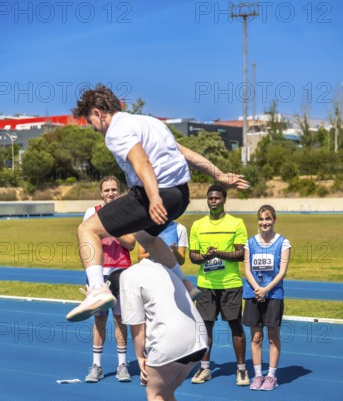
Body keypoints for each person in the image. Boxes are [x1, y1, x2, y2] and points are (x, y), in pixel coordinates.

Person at [66, 83, 249, 322]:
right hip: (181, 196)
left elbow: (142, 162)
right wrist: (218, 174)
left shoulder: (116, 131)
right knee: (146, 237)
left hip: (158, 193)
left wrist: (153, 198)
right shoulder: (150, 122)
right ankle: (183, 283)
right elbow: (183, 152)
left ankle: (97, 290)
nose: (94, 129)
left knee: (87, 229)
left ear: (99, 113)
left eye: (91, 122)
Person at [119, 259, 208, 401]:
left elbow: (137, 325)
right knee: (168, 394)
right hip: (198, 336)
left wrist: (140, 357)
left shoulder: (128, 275)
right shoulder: (167, 268)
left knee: (155, 394)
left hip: (172, 338)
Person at [189, 184, 249, 386]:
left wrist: (218, 254)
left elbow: (241, 254)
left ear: (224, 200)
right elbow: (193, 257)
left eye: (216, 198)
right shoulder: (198, 225)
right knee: (205, 328)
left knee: (235, 325)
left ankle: (241, 370)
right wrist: (204, 256)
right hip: (205, 284)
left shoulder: (236, 223)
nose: (213, 201)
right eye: (210, 198)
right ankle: (205, 369)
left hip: (230, 284)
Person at [83, 176, 136, 383]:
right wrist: (89, 277)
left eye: (114, 190)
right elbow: (86, 244)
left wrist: (111, 228)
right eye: (107, 190)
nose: (111, 193)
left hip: (122, 271)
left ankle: (122, 364)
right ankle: (96, 365)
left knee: (121, 319)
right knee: (99, 319)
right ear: (101, 193)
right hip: (98, 273)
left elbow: (131, 243)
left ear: (119, 191)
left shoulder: (129, 212)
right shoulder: (91, 213)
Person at [243, 204, 291, 391]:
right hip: (253, 293)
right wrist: (257, 289)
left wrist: (266, 289)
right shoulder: (250, 243)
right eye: (262, 219)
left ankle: (271, 376)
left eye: (268, 219)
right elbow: (247, 270)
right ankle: (257, 375)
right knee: (255, 336)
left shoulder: (283, 243)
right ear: (258, 221)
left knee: (272, 336)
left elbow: (282, 272)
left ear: (274, 220)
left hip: (273, 294)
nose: (265, 223)